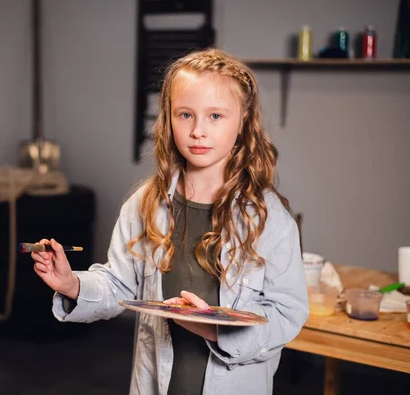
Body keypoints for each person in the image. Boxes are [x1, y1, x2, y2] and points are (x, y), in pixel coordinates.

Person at [30, 47, 309, 395]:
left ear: (243, 119)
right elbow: (117, 285)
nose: (198, 131)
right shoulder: (144, 204)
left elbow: (288, 313)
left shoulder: (268, 218)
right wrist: (71, 285)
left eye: (216, 116)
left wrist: (215, 329)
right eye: (185, 115)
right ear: (168, 117)